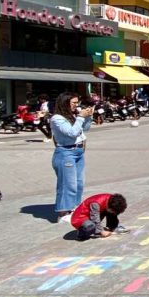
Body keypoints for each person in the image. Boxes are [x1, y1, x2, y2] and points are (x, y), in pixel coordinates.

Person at [50, 93, 93, 223]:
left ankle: (74, 208)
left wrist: (88, 117)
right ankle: (63, 212)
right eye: (73, 102)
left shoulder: (72, 116)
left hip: (78, 151)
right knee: (68, 184)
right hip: (66, 152)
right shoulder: (57, 118)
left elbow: (84, 129)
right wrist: (80, 117)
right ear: (65, 103)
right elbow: (72, 133)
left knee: (79, 183)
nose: (76, 105)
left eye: (77, 102)